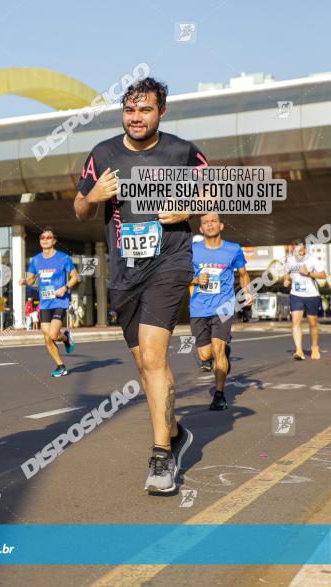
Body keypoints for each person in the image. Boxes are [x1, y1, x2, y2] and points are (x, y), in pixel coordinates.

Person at [73, 77, 206, 494]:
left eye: (145, 110)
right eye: (130, 110)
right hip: (125, 270)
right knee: (146, 367)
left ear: (161, 112)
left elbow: (213, 197)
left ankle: (162, 457)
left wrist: (184, 208)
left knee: (153, 356)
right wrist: (92, 195)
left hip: (170, 261)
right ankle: (177, 431)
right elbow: (78, 209)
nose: (136, 118)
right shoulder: (103, 154)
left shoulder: (183, 152)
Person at [189, 214, 252, 410]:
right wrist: (196, 280)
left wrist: (247, 292)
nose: (209, 224)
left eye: (213, 221)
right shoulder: (192, 250)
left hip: (223, 306)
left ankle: (219, 394)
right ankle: (223, 351)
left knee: (217, 350)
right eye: (205, 222)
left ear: (221, 225)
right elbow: (182, 276)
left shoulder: (233, 249)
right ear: (201, 229)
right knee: (205, 355)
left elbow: (243, 274)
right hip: (199, 307)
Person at [19, 227, 79, 376]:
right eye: (42, 237)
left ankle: (66, 337)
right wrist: (26, 281)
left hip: (59, 301)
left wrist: (65, 288)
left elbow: (75, 277)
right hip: (45, 303)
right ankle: (60, 366)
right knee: (47, 337)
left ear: (54, 241)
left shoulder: (63, 258)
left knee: (53, 334)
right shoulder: (36, 260)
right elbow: (33, 279)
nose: (44, 239)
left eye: (48, 237)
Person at [283, 240, 326, 360]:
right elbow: (286, 273)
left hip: (312, 295)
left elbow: (323, 275)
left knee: (312, 323)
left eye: (301, 250)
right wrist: (287, 279)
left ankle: (315, 347)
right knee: (296, 321)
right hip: (296, 294)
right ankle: (299, 350)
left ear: (305, 249)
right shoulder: (290, 260)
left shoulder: (312, 260)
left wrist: (308, 273)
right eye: (297, 250)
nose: (299, 252)